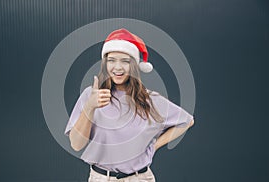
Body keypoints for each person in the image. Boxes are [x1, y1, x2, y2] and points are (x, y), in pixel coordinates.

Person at [64, 28, 195, 182]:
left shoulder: (150, 100)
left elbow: (187, 121)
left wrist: (153, 146)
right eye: (111, 60)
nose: (117, 67)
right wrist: (89, 107)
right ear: (105, 63)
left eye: (125, 61)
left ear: (134, 65)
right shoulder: (91, 95)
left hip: (139, 178)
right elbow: (76, 145)